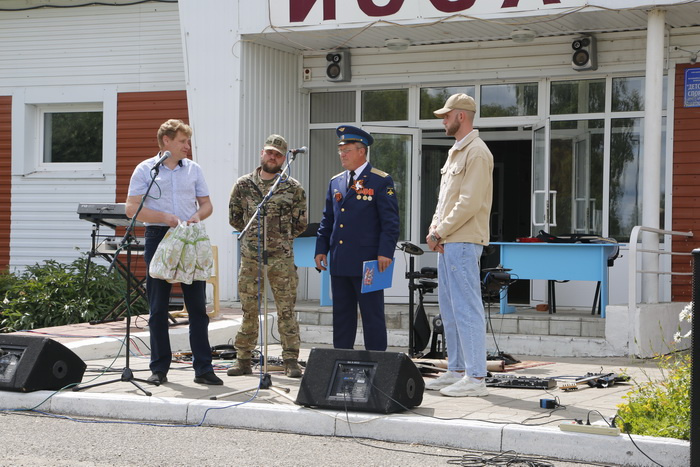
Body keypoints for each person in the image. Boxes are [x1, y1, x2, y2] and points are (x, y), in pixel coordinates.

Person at [125, 119, 223, 385]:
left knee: (197, 306)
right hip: (159, 236)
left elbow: (207, 205)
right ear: (166, 141)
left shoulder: (193, 169)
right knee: (158, 307)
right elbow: (131, 208)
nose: (187, 146)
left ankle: (203, 369)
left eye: (188, 141)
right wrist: (164, 217)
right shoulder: (146, 169)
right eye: (182, 141)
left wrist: (197, 216)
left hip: (189, 236)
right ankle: (159, 368)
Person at [425, 93, 493, 397]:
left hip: (463, 240)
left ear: (461, 116)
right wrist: (434, 228)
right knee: (450, 309)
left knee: (467, 308)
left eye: (447, 115)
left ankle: (476, 377)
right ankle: (456, 370)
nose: (443, 120)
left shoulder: (476, 152)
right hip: (450, 240)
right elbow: (445, 200)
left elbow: (469, 202)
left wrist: (440, 231)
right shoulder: (457, 151)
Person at [228, 134, 308, 378]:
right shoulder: (243, 185)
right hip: (251, 257)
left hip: (281, 258)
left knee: (286, 310)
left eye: (278, 155)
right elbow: (235, 218)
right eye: (270, 152)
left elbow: (300, 223)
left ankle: (291, 360)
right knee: (249, 309)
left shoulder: (293, 188)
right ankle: (243, 359)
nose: (273, 157)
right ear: (262, 153)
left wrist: (279, 239)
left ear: (284, 159)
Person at [315, 125, 400, 351]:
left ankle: (378, 361)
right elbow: (328, 219)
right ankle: (342, 358)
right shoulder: (336, 181)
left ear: (362, 151)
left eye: (347, 150)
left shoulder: (380, 180)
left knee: (372, 315)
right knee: (342, 316)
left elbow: (390, 222)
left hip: (369, 261)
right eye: (340, 150)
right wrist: (321, 248)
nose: (342, 154)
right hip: (341, 260)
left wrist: (385, 252)